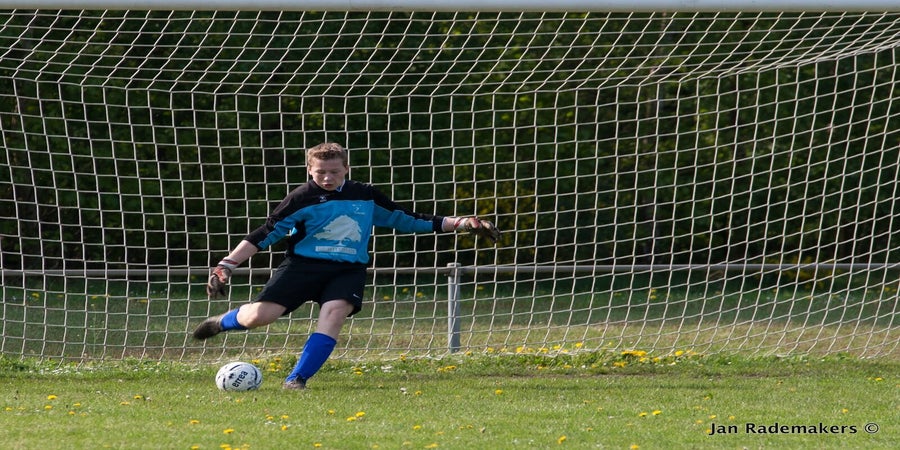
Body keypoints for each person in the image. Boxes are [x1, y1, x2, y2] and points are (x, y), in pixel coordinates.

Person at [192, 142, 499, 390]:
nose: (327, 178)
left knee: (335, 313)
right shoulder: (301, 198)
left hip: (347, 270)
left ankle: (296, 379)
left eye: (334, 172)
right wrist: (226, 265)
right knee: (261, 316)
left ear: (346, 169)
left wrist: (461, 223)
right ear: (309, 170)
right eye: (320, 172)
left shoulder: (364, 196)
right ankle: (221, 322)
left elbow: (407, 219)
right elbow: (265, 234)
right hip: (302, 267)